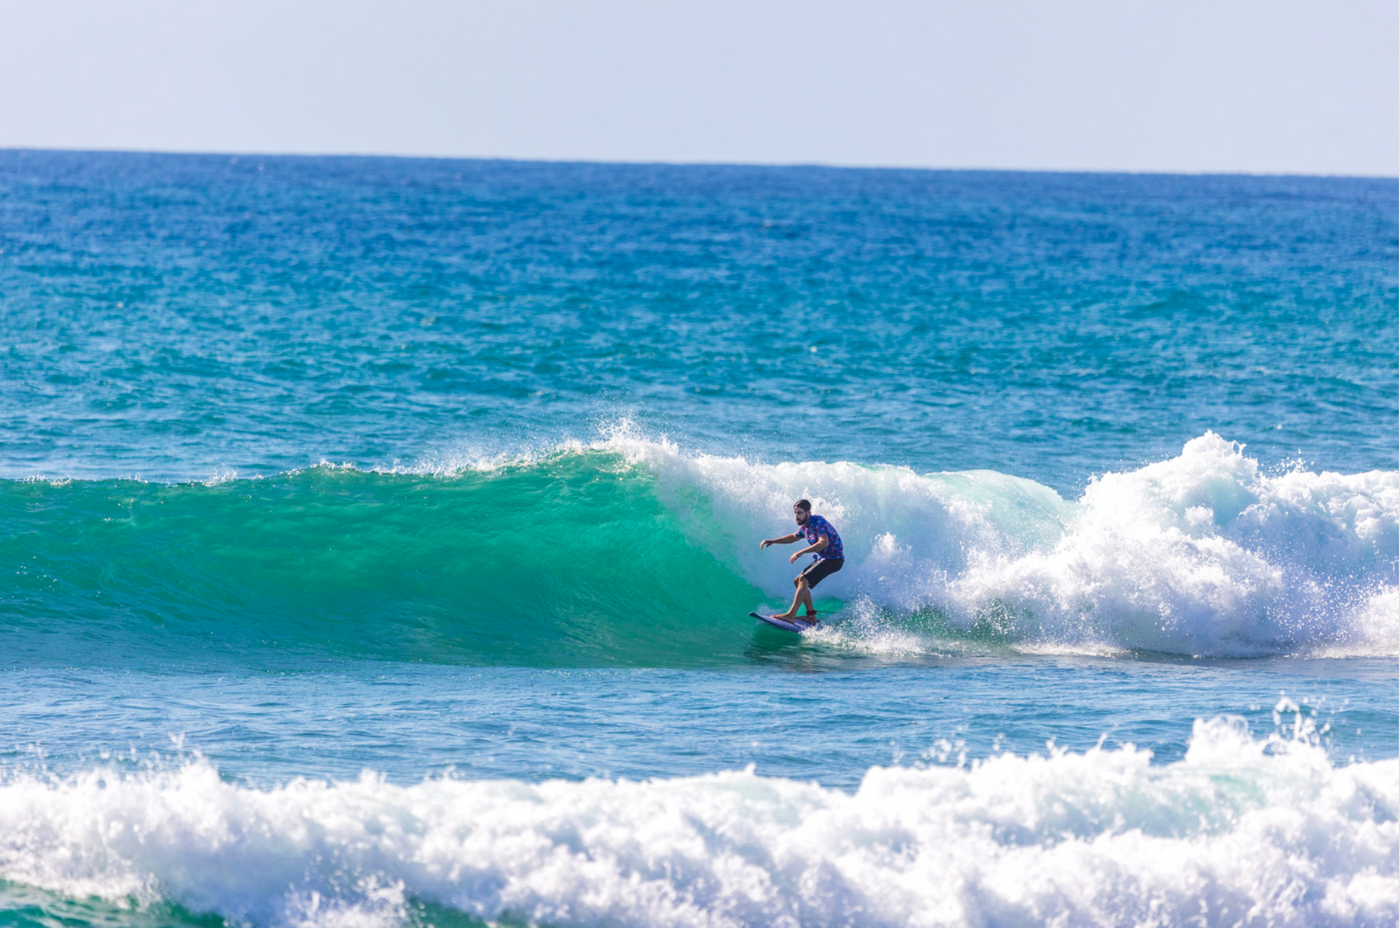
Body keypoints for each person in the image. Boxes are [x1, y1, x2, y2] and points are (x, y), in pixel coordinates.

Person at [759, 499, 844, 625]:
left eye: (799, 513)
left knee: (804, 579)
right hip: (823, 558)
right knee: (797, 580)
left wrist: (801, 552)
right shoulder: (805, 527)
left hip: (834, 559)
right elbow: (793, 537)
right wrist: (773, 541)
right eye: (795, 513)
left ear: (808, 512)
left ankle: (791, 615)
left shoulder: (819, 522)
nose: (796, 516)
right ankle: (811, 616)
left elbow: (823, 543)